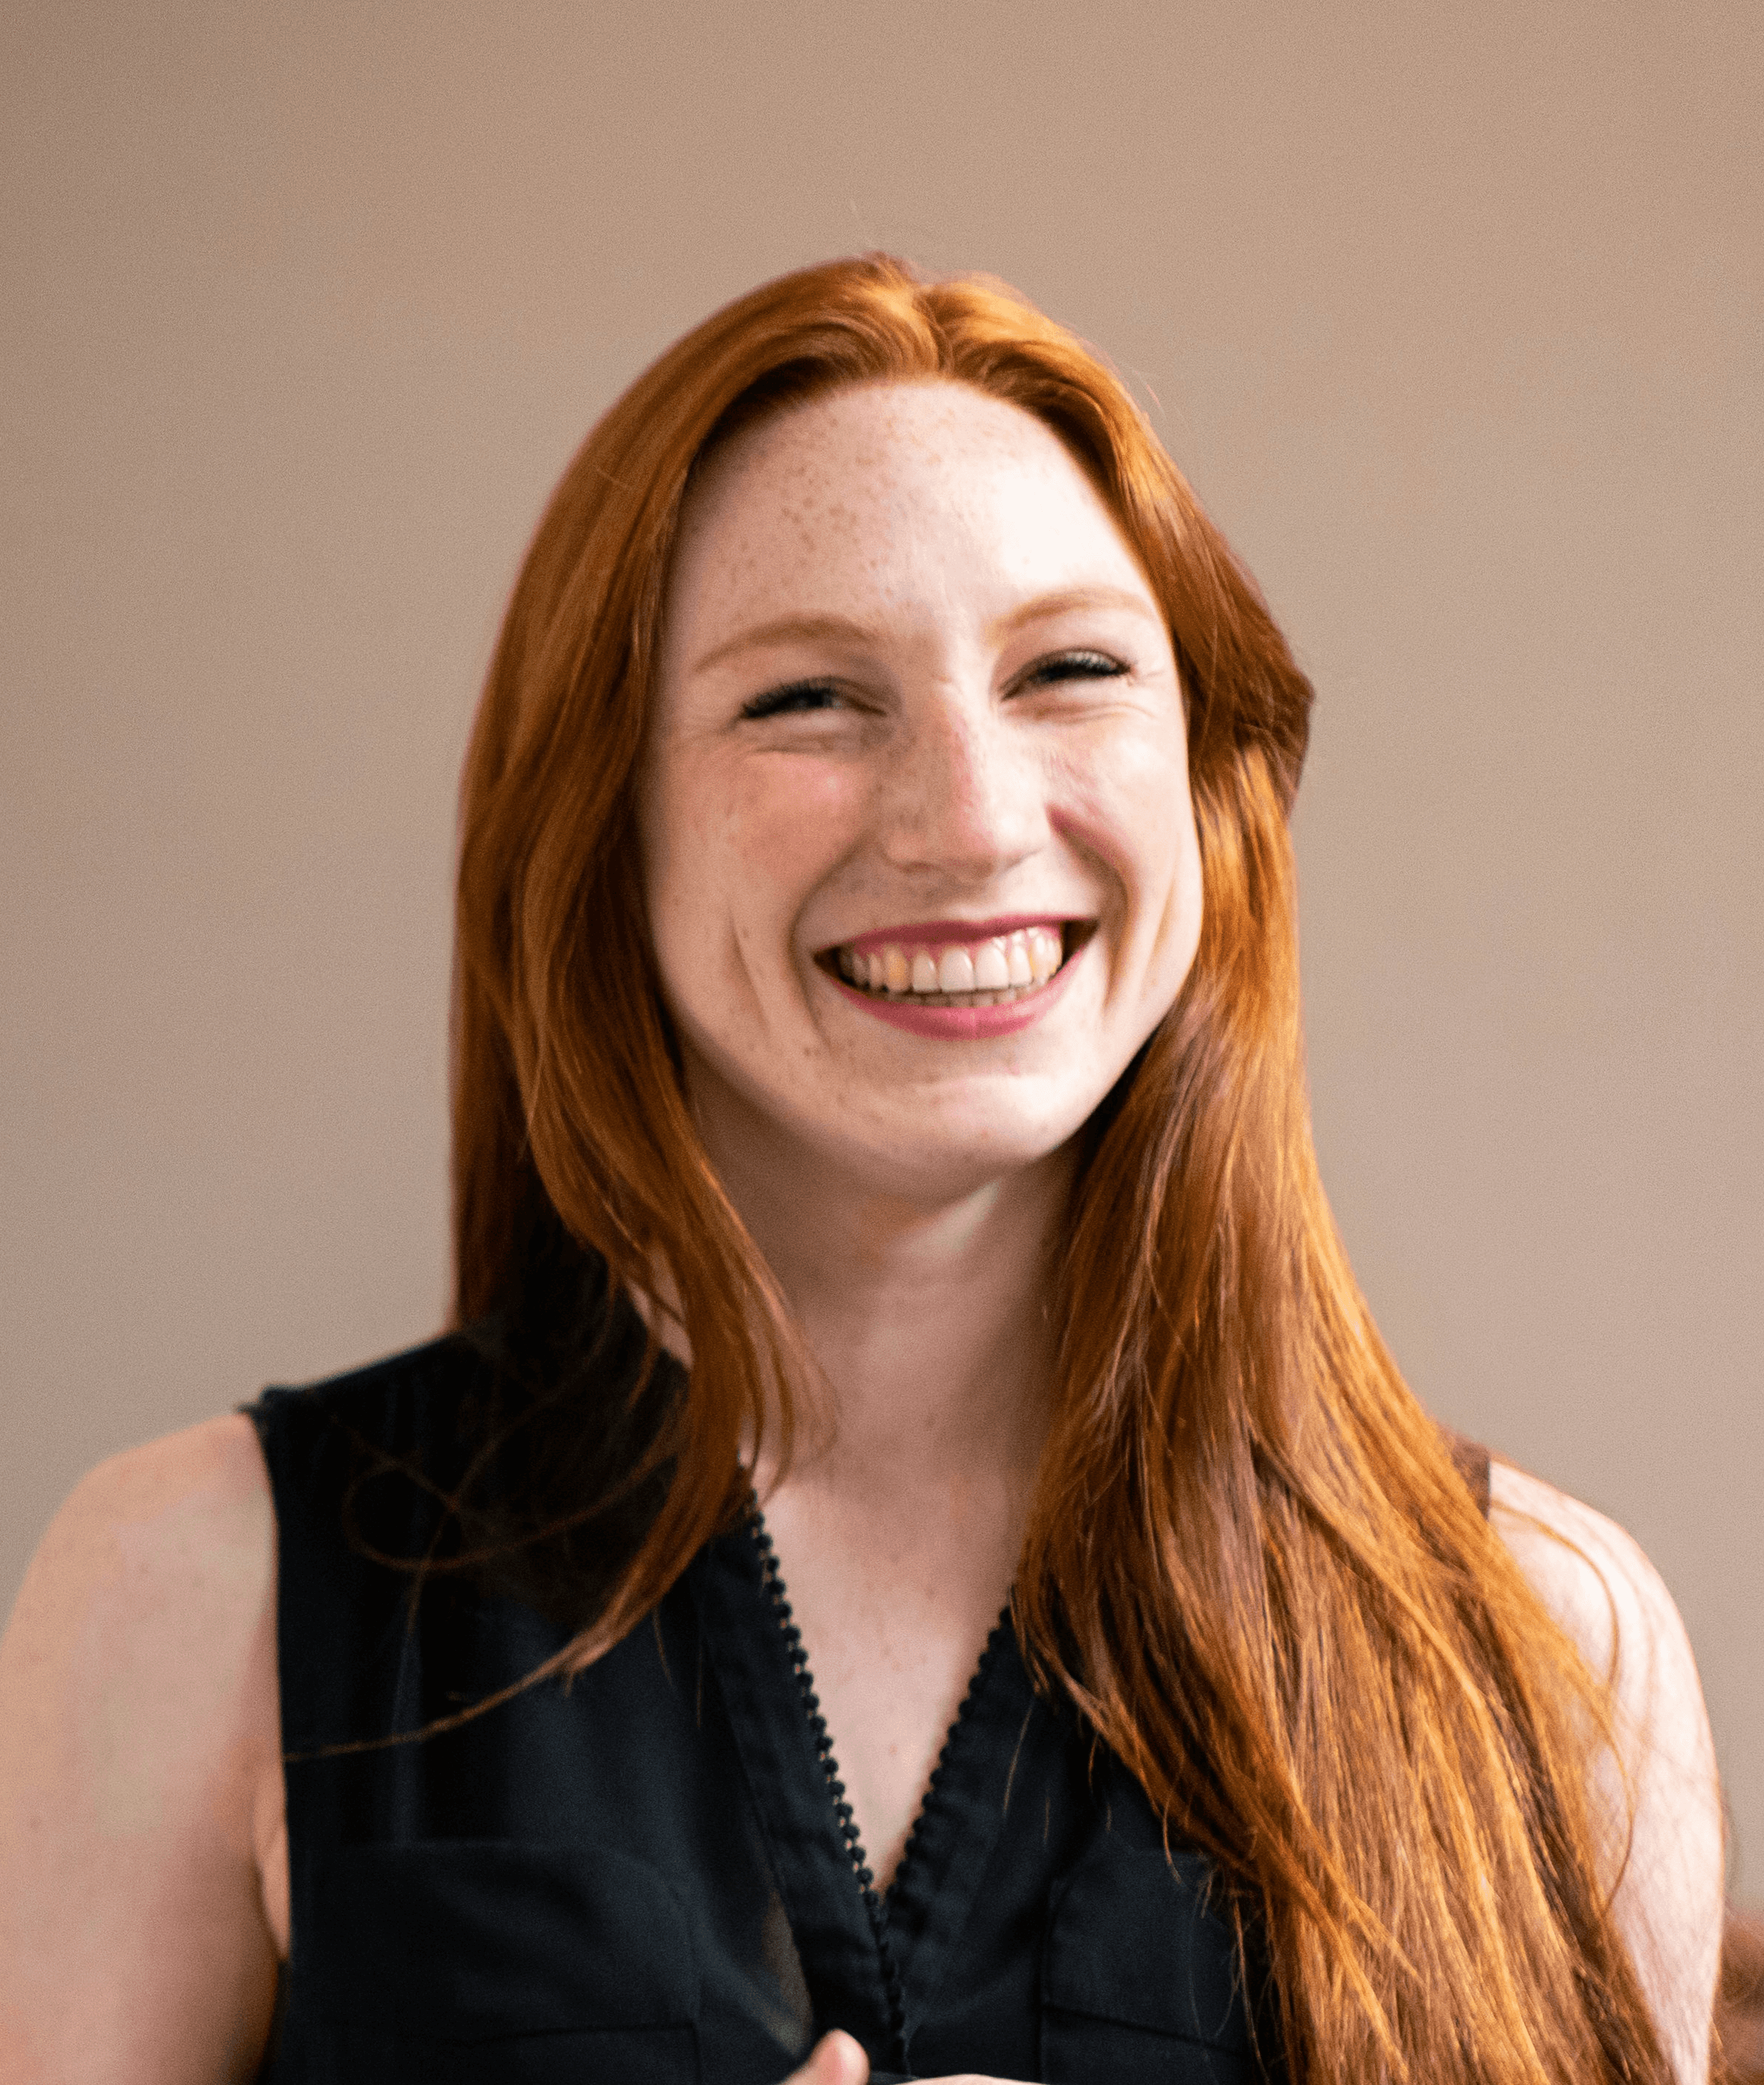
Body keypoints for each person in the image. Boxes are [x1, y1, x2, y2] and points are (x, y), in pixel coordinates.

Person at [0, 255, 1725, 2085]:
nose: (972, 818)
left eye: (1069, 672)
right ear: (602, 828)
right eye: (809, 701)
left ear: (1211, 787)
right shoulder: (199, 1593)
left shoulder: (1549, 1643)